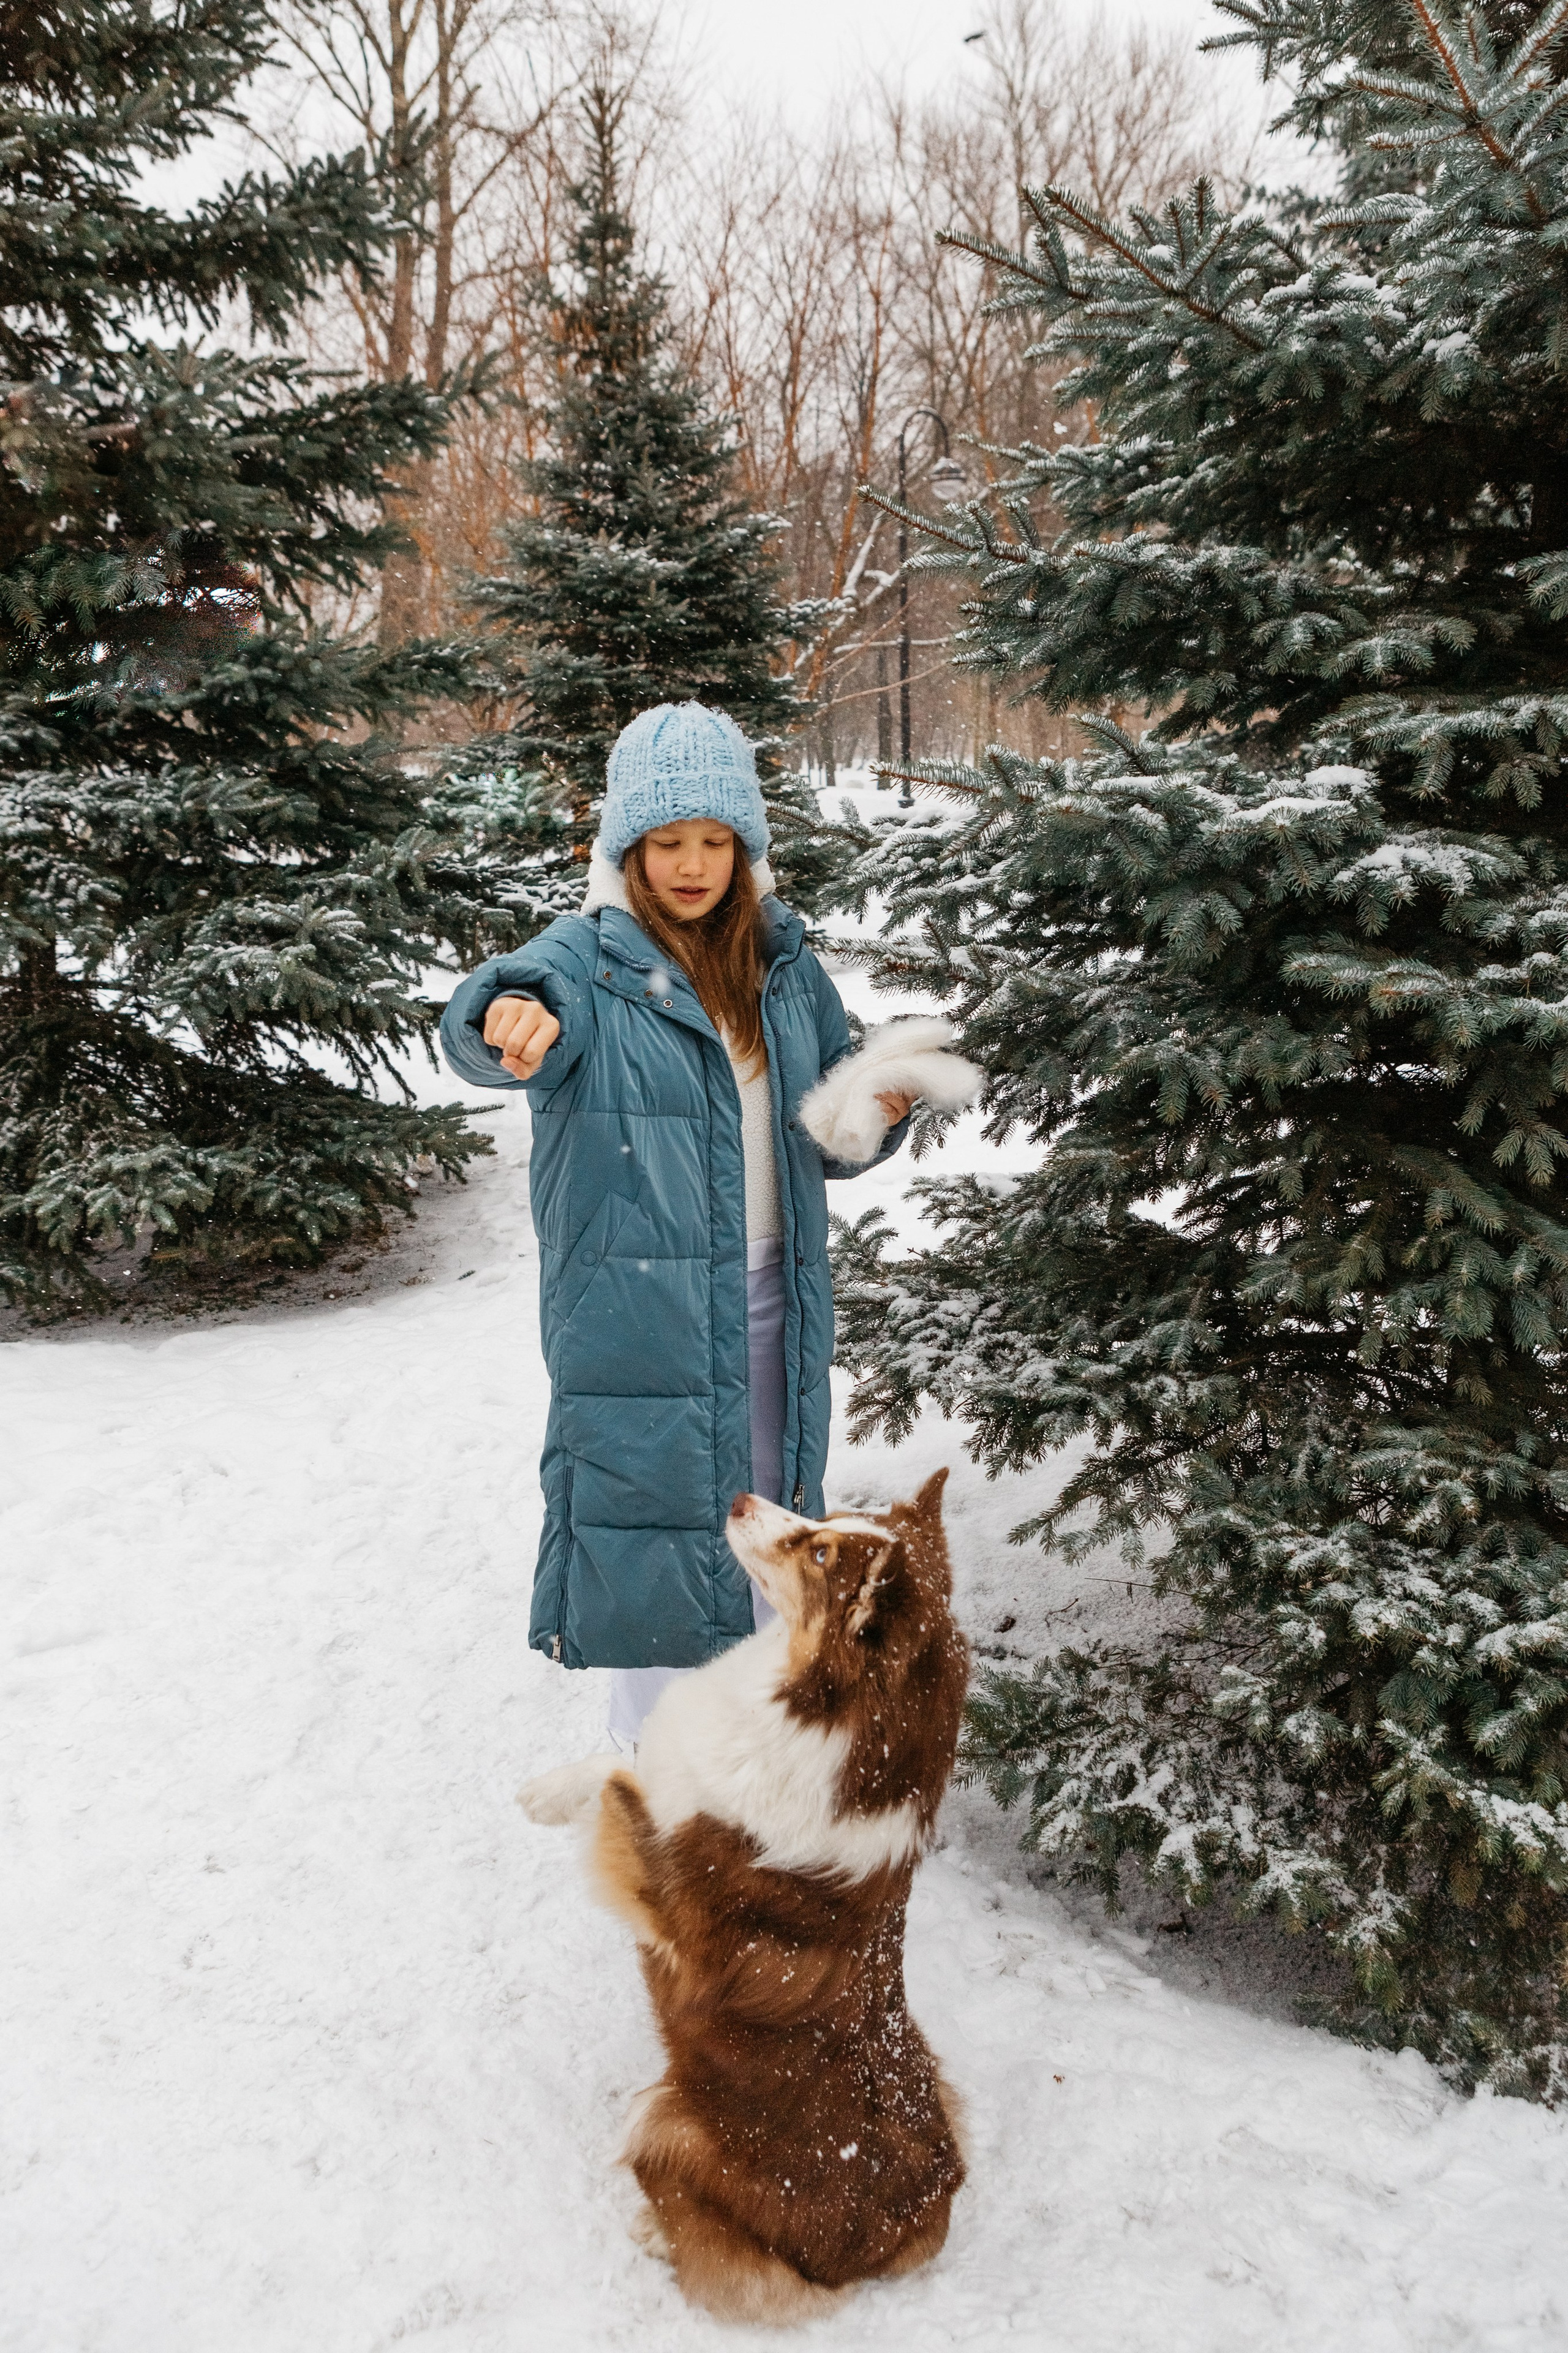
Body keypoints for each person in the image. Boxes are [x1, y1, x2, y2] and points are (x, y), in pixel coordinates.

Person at [440, 701, 917, 1747]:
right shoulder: (586, 963)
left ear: (744, 849)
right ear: (628, 847)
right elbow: (495, 1010)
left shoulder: (786, 967)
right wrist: (503, 1020)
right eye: (668, 842)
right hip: (640, 1316)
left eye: (714, 841)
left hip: (770, 1305)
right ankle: (661, 1800)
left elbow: (829, 1123)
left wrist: (875, 1116)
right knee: (659, 1554)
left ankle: (756, 1765)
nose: (693, 864)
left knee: (769, 1542)